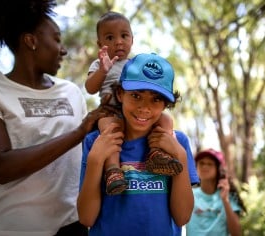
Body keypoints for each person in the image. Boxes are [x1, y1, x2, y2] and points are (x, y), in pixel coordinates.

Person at [0, 0, 115, 235]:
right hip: (11, 227)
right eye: (57, 39)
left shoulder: (71, 91)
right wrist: (78, 133)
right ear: (31, 41)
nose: (63, 49)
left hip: (73, 226)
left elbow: (88, 156)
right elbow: (2, 167)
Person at [77, 53, 200, 236]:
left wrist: (180, 156)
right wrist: (95, 159)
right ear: (120, 94)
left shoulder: (177, 143)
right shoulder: (97, 142)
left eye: (156, 99)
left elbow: (182, 217)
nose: (144, 107)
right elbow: (86, 218)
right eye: (136, 95)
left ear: (166, 104)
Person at [85, 11, 182, 195]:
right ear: (100, 44)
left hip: (134, 111)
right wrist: (102, 71)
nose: (118, 41)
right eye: (110, 37)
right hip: (110, 110)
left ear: (132, 39)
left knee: (166, 120)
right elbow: (90, 88)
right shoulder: (99, 64)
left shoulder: (135, 65)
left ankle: (157, 154)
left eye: (124, 35)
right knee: (110, 130)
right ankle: (113, 170)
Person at [185, 148, 246, 236]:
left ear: (219, 170)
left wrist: (225, 200)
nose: (205, 166)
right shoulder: (189, 195)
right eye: (201, 163)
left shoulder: (227, 196)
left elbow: (236, 233)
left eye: (210, 164)